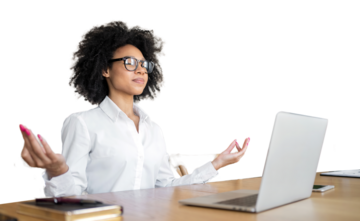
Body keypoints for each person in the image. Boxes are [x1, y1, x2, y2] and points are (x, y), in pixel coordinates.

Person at [18, 17, 251, 197]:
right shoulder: (82, 123)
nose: (140, 70)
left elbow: (166, 189)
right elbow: (69, 199)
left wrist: (217, 163)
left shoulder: (153, 129)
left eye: (144, 65)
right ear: (104, 69)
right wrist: (58, 172)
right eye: (129, 63)